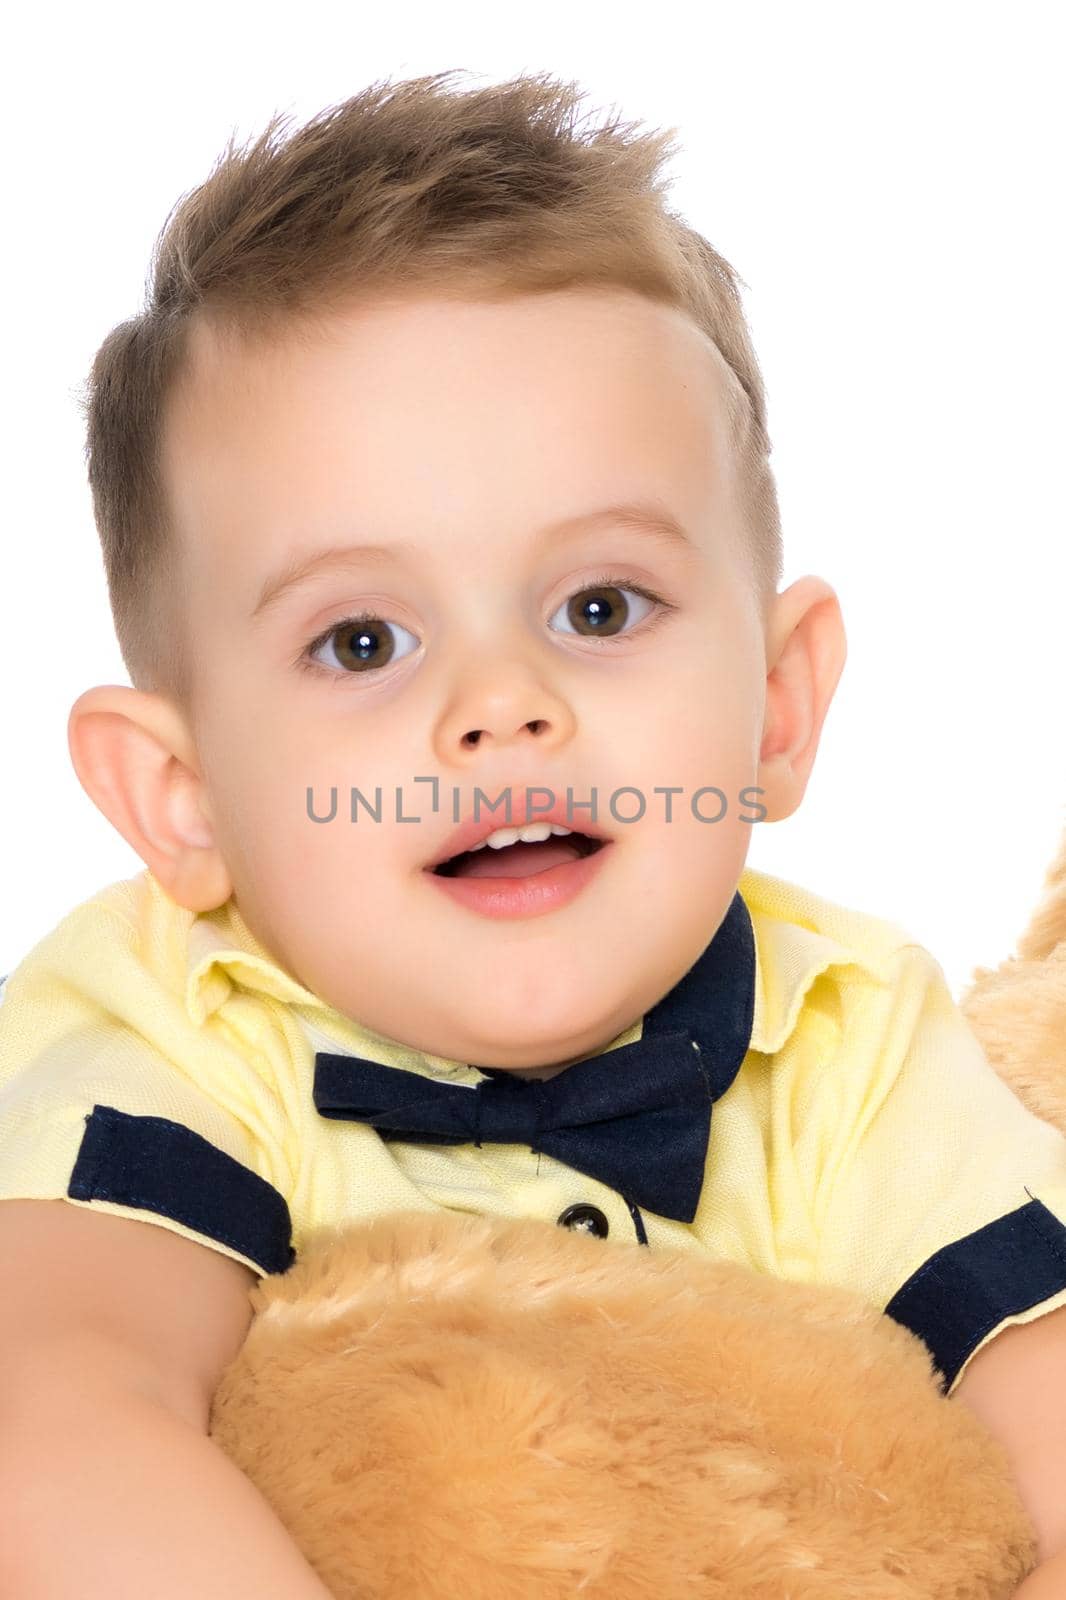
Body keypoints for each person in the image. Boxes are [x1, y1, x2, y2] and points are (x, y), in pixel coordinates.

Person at [3, 67, 1065, 1597]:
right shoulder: (166, 1028)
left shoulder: (844, 1032)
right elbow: (54, 1422)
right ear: (184, 798)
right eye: (362, 642)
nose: (500, 707)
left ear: (772, 707)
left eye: (597, 607)